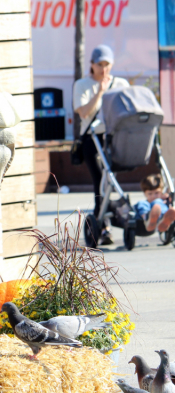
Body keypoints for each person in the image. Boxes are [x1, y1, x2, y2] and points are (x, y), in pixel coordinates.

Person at [73, 45, 129, 244]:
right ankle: (102, 226)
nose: (103, 69)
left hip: (114, 138)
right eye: (99, 64)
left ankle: (111, 215)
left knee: (111, 180)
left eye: (107, 64)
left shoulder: (120, 83)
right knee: (99, 180)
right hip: (91, 138)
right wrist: (100, 92)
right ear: (92, 64)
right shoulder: (82, 84)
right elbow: (83, 113)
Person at [135, 174, 175, 242]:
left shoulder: (161, 200)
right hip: (145, 216)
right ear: (145, 194)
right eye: (150, 194)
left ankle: (163, 221)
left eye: (156, 193)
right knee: (141, 203)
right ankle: (147, 218)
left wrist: (168, 199)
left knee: (159, 203)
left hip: (161, 213)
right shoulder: (145, 203)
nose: (153, 196)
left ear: (162, 192)